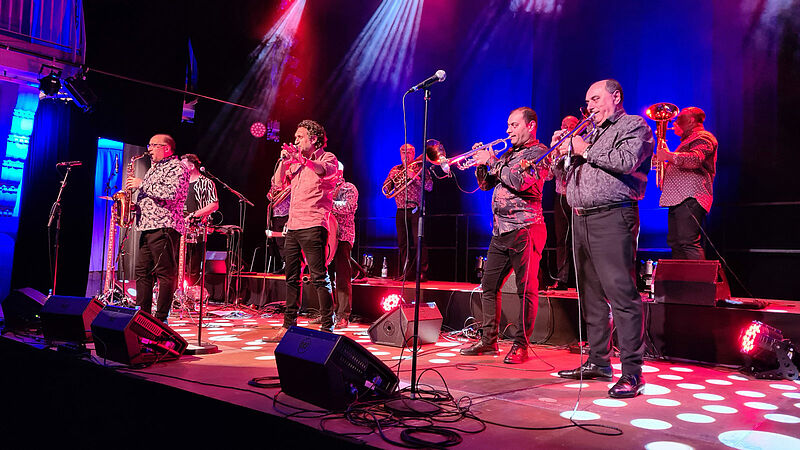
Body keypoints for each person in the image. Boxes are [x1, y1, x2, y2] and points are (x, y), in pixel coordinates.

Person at [551, 79, 654, 398]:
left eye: (595, 99)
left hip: (613, 214)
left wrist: (583, 148)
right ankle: (598, 361)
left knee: (621, 294)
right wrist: (561, 154)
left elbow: (626, 162)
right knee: (591, 295)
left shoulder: (633, 125)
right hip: (581, 217)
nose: (589, 106)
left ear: (616, 97)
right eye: (587, 101)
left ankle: (633, 373)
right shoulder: (590, 134)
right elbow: (562, 178)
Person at [459, 107, 548, 364]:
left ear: (530, 126)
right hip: (500, 230)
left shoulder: (539, 152)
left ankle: (521, 345)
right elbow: (487, 184)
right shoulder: (509, 153)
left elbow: (520, 182)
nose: (508, 131)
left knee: (525, 290)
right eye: (508, 125)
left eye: (514, 125)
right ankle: (488, 341)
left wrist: (493, 161)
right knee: (488, 287)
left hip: (526, 229)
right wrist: (480, 164)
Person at [267, 120, 338, 340]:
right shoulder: (294, 163)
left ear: (313, 138)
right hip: (293, 225)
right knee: (291, 278)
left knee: (318, 277)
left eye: (300, 137)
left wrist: (302, 160)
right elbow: (277, 184)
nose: (295, 140)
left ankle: (327, 326)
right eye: (295, 137)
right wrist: (283, 160)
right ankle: (288, 326)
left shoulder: (328, 157)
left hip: (314, 223)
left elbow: (323, 171)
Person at [125, 134, 190, 323]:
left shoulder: (178, 167)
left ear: (166, 148)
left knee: (165, 274)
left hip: (164, 226)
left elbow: (172, 193)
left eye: (153, 145)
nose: (149, 149)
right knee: (142, 272)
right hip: (147, 226)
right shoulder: (155, 168)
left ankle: (161, 319)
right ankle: (143, 317)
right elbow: (152, 196)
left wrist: (141, 184)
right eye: (149, 145)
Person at [658, 107, 718, 260]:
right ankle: (683, 281)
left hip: (691, 197)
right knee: (676, 242)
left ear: (691, 120)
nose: (674, 123)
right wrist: (663, 159)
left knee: (688, 242)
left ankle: (698, 283)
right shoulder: (687, 141)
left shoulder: (703, 137)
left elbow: (695, 159)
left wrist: (669, 156)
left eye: (678, 120)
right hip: (679, 198)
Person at [382, 143, 432, 281]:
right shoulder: (395, 170)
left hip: (416, 209)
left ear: (414, 153)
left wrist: (414, 177)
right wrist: (391, 182)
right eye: (403, 152)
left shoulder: (420, 168)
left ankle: (421, 272)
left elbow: (429, 187)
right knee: (403, 243)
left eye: (409, 152)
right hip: (400, 210)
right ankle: (406, 272)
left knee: (418, 242)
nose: (406, 155)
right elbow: (386, 188)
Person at [547, 115, 579, 290]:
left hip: (579, 198)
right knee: (562, 240)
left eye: (571, 125)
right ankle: (563, 279)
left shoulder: (581, 143)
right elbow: (549, 175)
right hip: (561, 196)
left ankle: (582, 279)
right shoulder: (557, 146)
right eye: (563, 124)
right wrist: (554, 149)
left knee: (580, 240)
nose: (566, 128)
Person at [180, 153, 219, 286]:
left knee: (193, 266)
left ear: (191, 166)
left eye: (183, 165)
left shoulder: (206, 183)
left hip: (196, 229)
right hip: (178, 228)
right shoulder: (179, 182)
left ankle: (191, 296)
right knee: (176, 264)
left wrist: (194, 215)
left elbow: (214, 204)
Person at [329, 162, 358, 328]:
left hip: (342, 236)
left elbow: (347, 206)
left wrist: (326, 202)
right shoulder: (324, 188)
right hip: (325, 236)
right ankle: (327, 312)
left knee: (342, 276)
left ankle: (343, 316)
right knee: (323, 276)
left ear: (338, 172)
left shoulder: (348, 187)